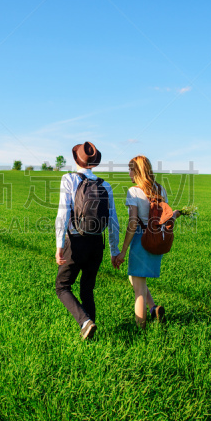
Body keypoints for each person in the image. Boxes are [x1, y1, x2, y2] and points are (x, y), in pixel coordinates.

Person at [55, 142, 120, 340]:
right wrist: (114, 250)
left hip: (75, 242)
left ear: (76, 159)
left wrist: (59, 245)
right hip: (96, 245)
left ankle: (85, 322)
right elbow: (113, 220)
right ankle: (90, 329)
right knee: (87, 289)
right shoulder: (105, 185)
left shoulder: (68, 179)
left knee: (62, 286)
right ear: (94, 163)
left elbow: (63, 213)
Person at [113, 155, 181, 328]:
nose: (128, 173)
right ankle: (153, 309)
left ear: (136, 171)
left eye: (130, 169)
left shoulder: (134, 191)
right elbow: (165, 217)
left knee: (139, 291)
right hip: (156, 239)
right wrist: (176, 214)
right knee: (136, 279)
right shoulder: (161, 190)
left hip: (140, 240)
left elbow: (133, 222)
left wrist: (124, 249)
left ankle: (140, 329)